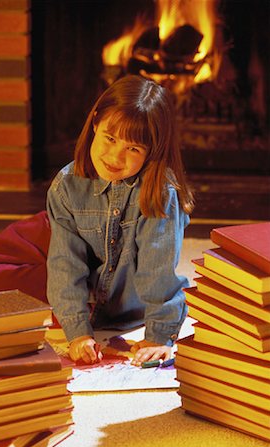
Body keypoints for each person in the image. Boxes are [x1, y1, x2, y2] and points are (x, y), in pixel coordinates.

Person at [46, 74, 194, 366]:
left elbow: (158, 269)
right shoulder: (66, 185)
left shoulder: (159, 192)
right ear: (95, 123)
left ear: (152, 151)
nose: (115, 156)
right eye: (110, 138)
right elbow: (65, 263)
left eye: (134, 149)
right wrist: (77, 333)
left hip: (134, 312)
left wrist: (159, 336)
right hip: (87, 310)